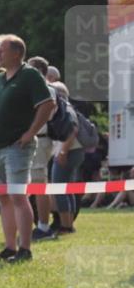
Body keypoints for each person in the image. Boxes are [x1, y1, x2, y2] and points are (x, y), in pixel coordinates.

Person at [0, 34, 56, 263]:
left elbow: (47, 104)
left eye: (1, 50)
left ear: (16, 53)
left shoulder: (29, 76)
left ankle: (25, 248)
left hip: (17, 147)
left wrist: (30, 132)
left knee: (18, 197)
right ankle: (9, 247)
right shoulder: (1, 78)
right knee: (4, 199)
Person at [26, 56, 57, 242]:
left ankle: (44, 227)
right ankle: (39, 224)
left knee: (39, 184)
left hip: (41, 138)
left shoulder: (46, 89)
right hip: (36, 138)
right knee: (34, 184)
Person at [48, 82, 85, 234]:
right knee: (67, 189)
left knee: (59, 188)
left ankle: (65, 226)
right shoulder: (68, 108)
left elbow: (73, 130)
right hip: (74, 151)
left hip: (68, 152)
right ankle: (68, 225)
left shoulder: (65, 109)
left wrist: (63, 152)